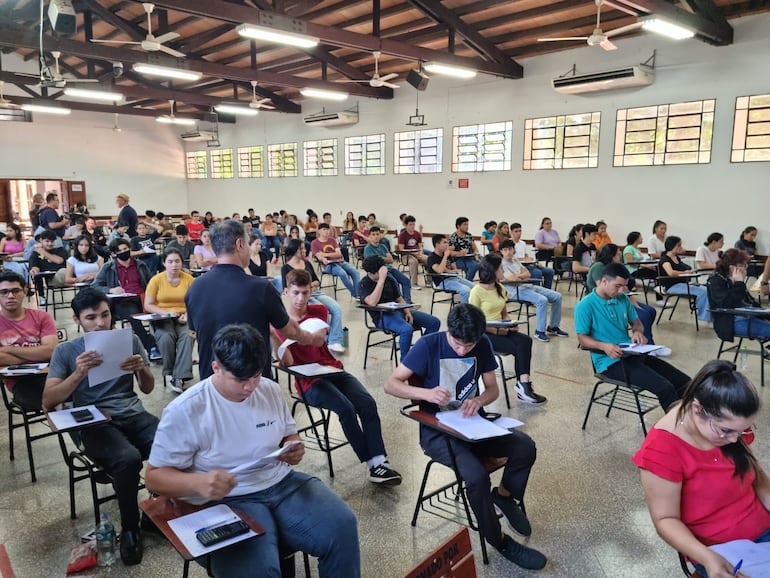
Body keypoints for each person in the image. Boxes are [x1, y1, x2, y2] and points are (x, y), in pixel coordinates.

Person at [145, 324, 361, 578]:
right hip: (226, 499)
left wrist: (292, 446)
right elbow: (154, 477)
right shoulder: (188, 409)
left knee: (342, 527)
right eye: (240, 379)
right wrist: (198, 482)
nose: (250, 386)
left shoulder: (268, 389)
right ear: (216, 368)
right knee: (257, 571)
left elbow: (288, 434)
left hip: (281, 482)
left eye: (256, 375)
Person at [384, 304, 547, 571]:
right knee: (476, 476)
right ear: (449, 331)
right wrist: (426, 395)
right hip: (437, 430)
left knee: (525, 447)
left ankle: (504, 496)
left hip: (473, 424)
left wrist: (480, 400)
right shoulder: (428, 345)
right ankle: (499, 540)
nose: (462, 350)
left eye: (468, 346)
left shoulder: (481, 344)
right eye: (457, 344)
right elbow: (391, 384)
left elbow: (492, 389)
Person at [42, 288, 156, 566]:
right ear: (77, 319)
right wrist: (78, 373)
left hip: (131, 412)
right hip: (93, 421)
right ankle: (130, 529)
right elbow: (48, 400)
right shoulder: (67, 351)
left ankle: (155, 511)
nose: (101, 323)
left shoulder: (126, 340)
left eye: (105, 315)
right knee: (127, 459)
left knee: (175, 441)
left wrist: (141, 368)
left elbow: (148, 388)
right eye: (91, 317)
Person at [632, 360, 770, 578]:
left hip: (762, 534)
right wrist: (707, 558)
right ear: (697, 409)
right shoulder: (662, 449)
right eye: (727, 431)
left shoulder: (728, 429)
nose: (736, 439)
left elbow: (757, 478)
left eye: (742, 431)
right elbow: (665, 520)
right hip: (717, 551)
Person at [275, 269, 402, 484]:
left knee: (367, 403)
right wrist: (273, 334)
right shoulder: (278, 322)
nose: (301, 299)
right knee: (346, 408)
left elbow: (316, 340)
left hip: (332, 369)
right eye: (296, 293)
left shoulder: (318, 310)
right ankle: (373, 465)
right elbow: (287, 361)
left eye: (305, 293)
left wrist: (292, 332)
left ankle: (379, 461)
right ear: (286, 291)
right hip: (307, 381)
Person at [185, 220, 326, 380]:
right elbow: (290, 331)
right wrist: (312, 338)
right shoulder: (261, 288)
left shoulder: (194, 288)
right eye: (247, 244)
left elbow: (195, 330)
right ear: (239, 244)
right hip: (253, 383)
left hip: (212, 383)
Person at [576, 262, 690, 410]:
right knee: (665, 388)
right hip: (610, 362)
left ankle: (687, 418)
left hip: (632, 354)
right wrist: (603, 346)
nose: (621, 290)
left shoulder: (622, 299)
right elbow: (582, 338)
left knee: (685, 382)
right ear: (604, 281)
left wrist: (637, 332)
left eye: (623, 286)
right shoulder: (585, 305)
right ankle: (674, 428)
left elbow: (637, 323)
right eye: (617, 286)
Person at [470, 254, 546, 404]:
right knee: (515, 347)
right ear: (492, 270)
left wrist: (511, 323)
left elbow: (504, 313)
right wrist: (496, 330)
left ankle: (523, 385)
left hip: (501, 328)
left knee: (525, 341)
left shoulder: (500, 288)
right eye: (500, 268)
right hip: (484, 334)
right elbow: (474, 322)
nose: (503, 270)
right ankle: (523, 388)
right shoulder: (476, 292)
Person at [586, 244, 663, 351]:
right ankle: (647, 346)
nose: (620, 257)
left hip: (620, 298)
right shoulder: (598, 266)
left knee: (650, 311)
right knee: (643, 315)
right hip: (605, 301)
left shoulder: (618, 269)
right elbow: (603, 287)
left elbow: (625, 287)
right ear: (611, 256)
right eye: (618, 255)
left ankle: (645, 340)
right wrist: (628, 296)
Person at [93, 239, 161, 361]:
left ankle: (159, 343)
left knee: (158, 314)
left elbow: (152, 282)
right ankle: (151, 347)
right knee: (133, 316)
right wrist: (111, 290)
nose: (124, 252)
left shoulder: (140, 265)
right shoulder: (108, 268)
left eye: (126, 249)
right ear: (114, 254)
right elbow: (95, 286)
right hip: (122, 302)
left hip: (142, 299)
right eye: (120, 251)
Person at [359, 255, 440, 357]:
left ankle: (420, 353)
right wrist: (381, 281)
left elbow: (399, 298)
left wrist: (407, 312)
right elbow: (372, 302)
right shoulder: (364, 283)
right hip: (382, 317)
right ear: (370, 273)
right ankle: (405, 363)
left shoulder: (389, 279)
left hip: (398, 311)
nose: (384, 273)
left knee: (434, 322)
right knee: (406, 329)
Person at [0, 271, 57, 410]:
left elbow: (51, 351)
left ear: (25, 291)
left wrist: (9, 350)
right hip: (20, 382)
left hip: (50, 374)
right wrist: (36, 355)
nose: (10, 296)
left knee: (81, 393)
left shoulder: (42, 317)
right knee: (55, 402)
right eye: (4, 292)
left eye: (15, 291)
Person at [281, 239, 346, 353]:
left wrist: (307, 286)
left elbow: (317, 281)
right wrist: (305, 288)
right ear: (295, 250)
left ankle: (334, 341)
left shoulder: (307, 263)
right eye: (301, 248)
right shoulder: (286, 268)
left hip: (315, 292)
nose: (305, 250)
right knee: (322, 309)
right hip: (304, 295)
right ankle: (326, 338)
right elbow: (286, 287)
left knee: (336, 308)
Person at [144, 248, 195, 393]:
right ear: (164, 263)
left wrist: (187, 314)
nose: (174, 265)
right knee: (166, 337)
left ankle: (178, 377)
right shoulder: (156, 280)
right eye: (170, 261)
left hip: (183, 317)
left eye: (177, 261)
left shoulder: (189, 279)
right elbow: (148, 304)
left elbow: (196, 303)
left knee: (188, 336)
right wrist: (166, 312)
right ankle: (175, 373)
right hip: (162, 317)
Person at [499, 239, 566, 344]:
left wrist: (519, 276)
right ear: (501, 251)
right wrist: (521, 276)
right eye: (505, 249)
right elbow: (512, 279)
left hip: (528, 286)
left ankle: (553, 326)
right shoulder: (501, 264)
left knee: (557, 296)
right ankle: (539, 331)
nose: (508, 252)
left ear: (513, 250)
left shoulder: (515, 261)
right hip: (515, 290)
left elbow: (528, 274)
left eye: (510, 249)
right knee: (542, 300)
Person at [707, 248, 770, 341]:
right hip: (731, 322)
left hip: (747, 316)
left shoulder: (735, 280)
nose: (746, 268)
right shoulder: (716, 280)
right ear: (732, 267)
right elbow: (726, 304)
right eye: (743, 265)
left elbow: (749, 302)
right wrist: (739, 284)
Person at [658, 236, 712, 323]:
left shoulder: (676, 258)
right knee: (702, 292)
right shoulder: (665, 259)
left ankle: (709, 314)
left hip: (683, 284)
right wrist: (686, 272)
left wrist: (689, 271)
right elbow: (670, 273)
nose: (681, 248)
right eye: (679, 245)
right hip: (672, 286)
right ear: (672, 246)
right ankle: (704, 316)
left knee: (707, 289)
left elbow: (685, 267)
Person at [363, 226, 413, 301]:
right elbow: (372, 263)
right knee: (394, 282)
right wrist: (383, 258)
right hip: (379, 271)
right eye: (373, 234)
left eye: (377, 234)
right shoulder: (367, 248)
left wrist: (378, 258)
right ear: (369, 236)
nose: (376, 236)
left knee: (406, 280)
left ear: (380, 235)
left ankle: (407, 302)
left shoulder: (383, 246)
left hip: (389, 268)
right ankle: (399, 302)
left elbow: (391, 260)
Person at [311, 223, 360, 299]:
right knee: (342, 273)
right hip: (328, 265)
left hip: (340, 261)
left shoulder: (332, 240)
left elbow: (339, 254)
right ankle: (355, 294)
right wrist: (323, 257)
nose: (327, 231)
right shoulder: (314, 243)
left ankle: (358, 294)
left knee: (355, 272)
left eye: (328, 230)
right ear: (319, 231)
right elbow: (319, 256)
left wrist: (325, 254)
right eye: (324, 230)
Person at [426, 234, 476, 303]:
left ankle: (472, 308)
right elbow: (440, 271)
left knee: (476, 288)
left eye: (447, 242)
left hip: (455, 278)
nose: (447, 245)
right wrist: (445, 257)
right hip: (443, 282)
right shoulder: (432, 257)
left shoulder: (447, 254)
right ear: (437, 245)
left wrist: (448, 270)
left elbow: (455, 269)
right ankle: (463, 312)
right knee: (466, 290)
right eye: (444, 242)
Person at [29, 229, 68, 305]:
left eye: (52, 241)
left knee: (63, 271)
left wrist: (43, 252)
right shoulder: (35, 253)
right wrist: (34, 270)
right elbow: (35, 265)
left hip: (61, 275)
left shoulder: (60, 250)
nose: (50, 243)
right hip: (48, 278)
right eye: (47, 241)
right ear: (41, 240)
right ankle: (41, 296)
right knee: (37, 274)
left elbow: (59, 261)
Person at [511, 222, 554, 289]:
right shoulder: (509, 244)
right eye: (516, 231)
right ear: (511, 232)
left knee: (550, 271)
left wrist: (535, 262)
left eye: (520, 231)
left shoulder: (522, 243)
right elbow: (511, 259)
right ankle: (536, 291)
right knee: (537, 273)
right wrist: (524, 259)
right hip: (518, 267)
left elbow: (525, 256)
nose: (518, 233)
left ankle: (546, 291)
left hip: (527, 265)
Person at [397, 215, 428, 288]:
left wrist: (420, 253)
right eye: (410, 225)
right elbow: (401, 249)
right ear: (406, 225)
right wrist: (415, 254)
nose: (412, 226)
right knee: (414, 261)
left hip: (416, 253)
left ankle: (429, 281)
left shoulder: (417, 234)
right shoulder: (402, 235)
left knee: (428, 259)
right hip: (406, 256)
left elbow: (420, 245)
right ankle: (414, 283)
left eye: (414, 224)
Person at [448, 217, 480, 281]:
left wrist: (476, 256)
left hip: (470, 257)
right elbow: (449, 252)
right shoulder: (454, 237)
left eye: (467, 224)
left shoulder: (469, 235)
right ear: (458, 226)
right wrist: (459, 253)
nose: (467, 227)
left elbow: (475, 248)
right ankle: (468, 283)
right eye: (465, 224)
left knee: (486, 261)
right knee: (474, 266)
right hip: (459, 259)